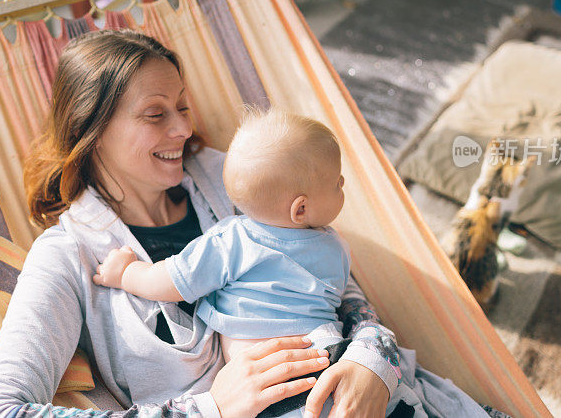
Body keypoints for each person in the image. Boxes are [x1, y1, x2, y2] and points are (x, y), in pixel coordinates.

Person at [0, 30, 397, 418]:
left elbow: (324, 274)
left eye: (182, 106)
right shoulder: (68, 256)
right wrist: (209, 409)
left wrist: (372, 357)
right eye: (155, 115)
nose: (182, 128)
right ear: (93, 128)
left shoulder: (234, 179)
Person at [91, 109, 490, 418]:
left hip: (276, 379)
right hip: (329, 353)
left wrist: (126, 272)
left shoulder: (232, 238)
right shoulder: (335, 248)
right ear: (300, 209)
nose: (343, 186)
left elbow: (171, 281)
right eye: (337, 182)